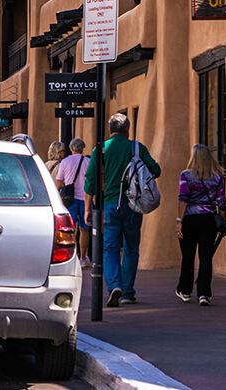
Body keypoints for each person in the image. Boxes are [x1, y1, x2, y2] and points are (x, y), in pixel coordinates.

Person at [84, 113, 161, 307]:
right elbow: (156, 170)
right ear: (127, 129)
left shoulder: (100, 150)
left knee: (109, 248)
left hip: (110, 205)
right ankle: (127, 292)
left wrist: (87, 209)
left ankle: (114, 285)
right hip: (133, 205)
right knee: (131, 249)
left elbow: (90, 182)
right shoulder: (136, 148)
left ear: (110, 130)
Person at [176, 144, 226, 306]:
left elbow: (183, 199)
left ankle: (185, 290)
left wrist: (179, 221)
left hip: (190, 219)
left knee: (188, 256)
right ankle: (204, 294)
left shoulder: (186, 176)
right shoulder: (217, 177)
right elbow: (222, 202)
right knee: (206, 257)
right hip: (209, 219)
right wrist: (222, 222)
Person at [55, 138, 91, 267]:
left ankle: (72, 256)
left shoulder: (65, 162)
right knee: (84, 228)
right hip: (85, 198)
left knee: (71, 229)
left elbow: (59, 182)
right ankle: (83, 257)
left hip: (70, 199)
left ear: (71, 149)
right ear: (82, 149)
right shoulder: (88, 161)